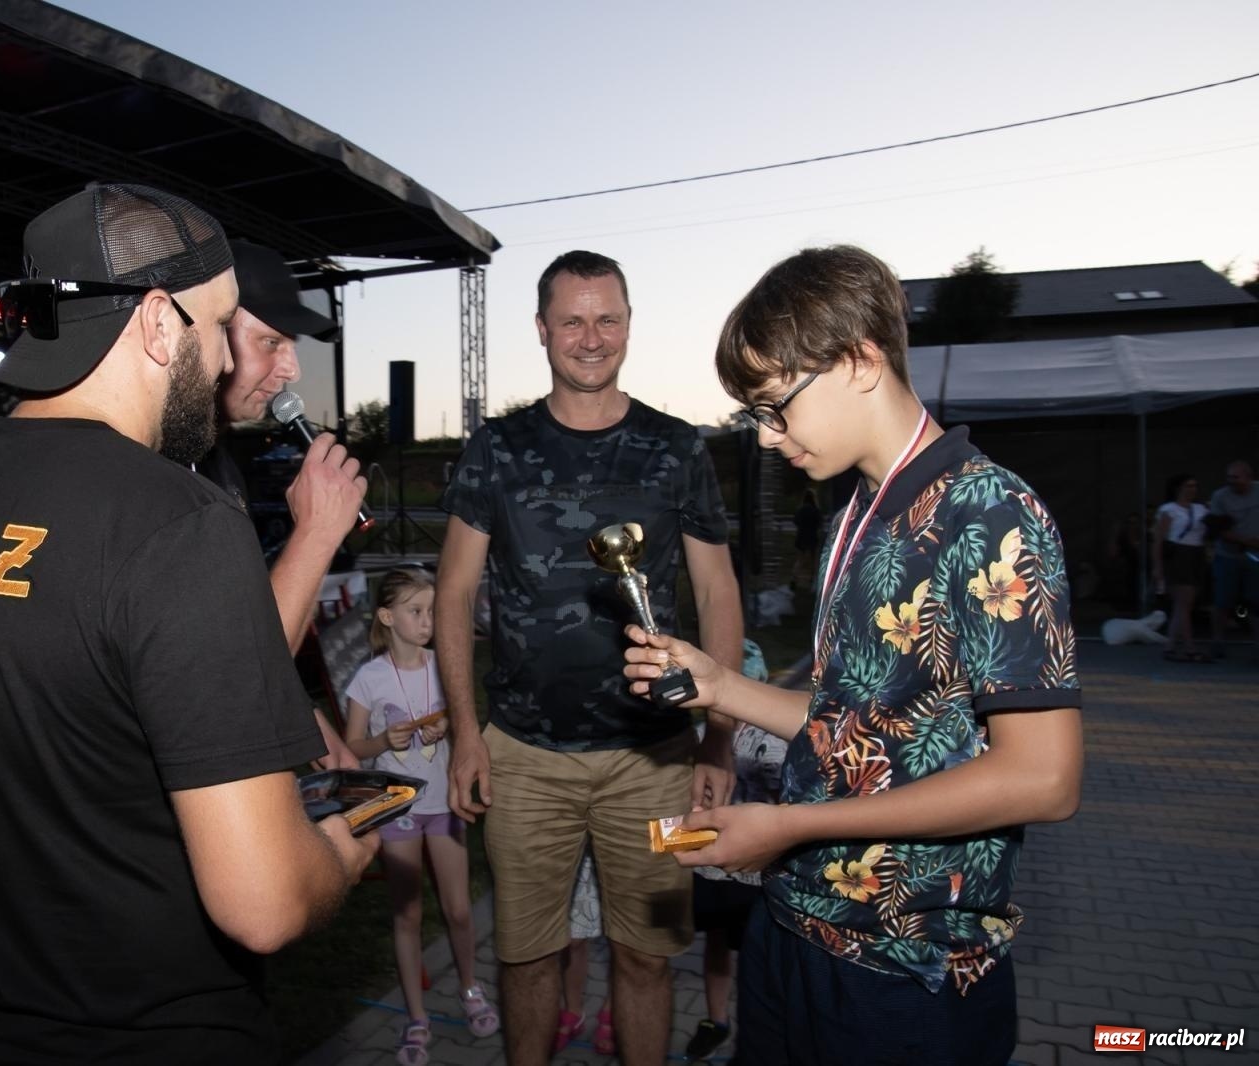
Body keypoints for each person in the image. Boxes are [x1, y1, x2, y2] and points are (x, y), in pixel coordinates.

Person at [0, 183, 378, 1065]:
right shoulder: (180, 524)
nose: (225, 358)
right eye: (218, 326)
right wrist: (344, 843)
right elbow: (264, 905)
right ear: (155, 323)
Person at [625, 244, 1083, 1066]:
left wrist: (792, 825)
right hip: (795, 930)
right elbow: (857, 723)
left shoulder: (989, 512)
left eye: (775, 407)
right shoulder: (855, 515)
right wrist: (720, 684)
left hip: (907, 970)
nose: (768, 439)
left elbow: (1043, 778)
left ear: (860, 361)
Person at [436, 249, 744, 1066]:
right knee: (526, 956)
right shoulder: (496, 449)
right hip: (524, 758)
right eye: (572, 321)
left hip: (657, 758)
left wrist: (718, 741)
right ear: (542, 330)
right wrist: (466, 734)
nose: (591, 337)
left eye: (608, 318)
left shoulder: (677, 448)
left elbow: (717, 592)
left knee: (650, 955)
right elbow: (453, 594)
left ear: (630, 325)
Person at [201, 238, 367, 768]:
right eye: (271, 341)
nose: (292, 368)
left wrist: (303, 714)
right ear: (204, 333)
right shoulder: (148, 472)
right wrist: (317, 533)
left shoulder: (216, 461)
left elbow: (231, 628)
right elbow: (230, 675)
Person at [341, 567, 497, 1065]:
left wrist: (446, 725)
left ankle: (470, 989)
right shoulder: (368, 678)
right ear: (387, 617)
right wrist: (382, 741)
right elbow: (351, 748)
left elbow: (464, 720)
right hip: (396, 808)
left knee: (458, 909)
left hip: (442, 804)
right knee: (407, 914)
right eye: (416, 611)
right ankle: (415, 1016)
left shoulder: (444, 665)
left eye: (432, 611)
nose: (428, 621)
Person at [683, 640, 782, 1065]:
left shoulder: (777, 737)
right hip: (713, 870)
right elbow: (686, 804)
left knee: (760, 952)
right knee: (717, 943)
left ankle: (761, 1028)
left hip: (759, 875)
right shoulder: (700, 737)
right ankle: (716, 1019)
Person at [556, 851, 615, 1056]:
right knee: (572, 937)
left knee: (624, 939)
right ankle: (573, 1011)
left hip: (633, 840)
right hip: (577, 841)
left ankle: (613, 1010)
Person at [1153, 472, 1209, 662]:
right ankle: (1189, 646)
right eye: (1188, 486)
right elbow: (1158, 540)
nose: (1192, 490)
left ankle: (1170, 645)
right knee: (1183, 602)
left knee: (1185, 604)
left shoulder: (1201, 509)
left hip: (1196, 553)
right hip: (1178, 554)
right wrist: (1157, 566)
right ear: (1178, 488)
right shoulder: (1169, 510)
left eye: (1195, 486)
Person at [1209, 459, 1259, 659]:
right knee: (1223, 600)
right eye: (1229, 477)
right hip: (1228, 555)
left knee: (1256, 601)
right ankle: (1218, 640)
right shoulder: (1220, 497)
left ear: (1249, 477)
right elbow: (1218, 529)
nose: (1232, 481)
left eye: (1236, 477)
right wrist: (1247, 541)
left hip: (1255, 557)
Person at [791, 489, 823, 589]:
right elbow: (819, 524)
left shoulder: (800, 509)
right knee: (813, 561)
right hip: (812, 537)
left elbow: (795, 522)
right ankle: (812, 581)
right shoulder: (816, 510)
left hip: (801, 536)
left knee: (800, 560)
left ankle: (794, 579)